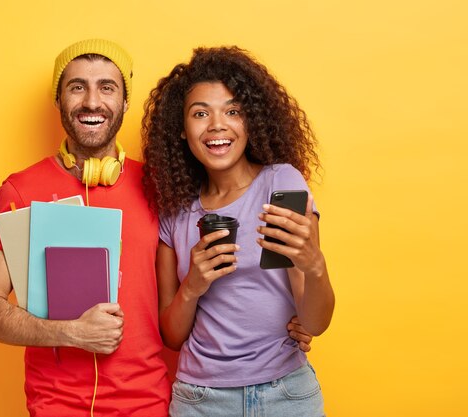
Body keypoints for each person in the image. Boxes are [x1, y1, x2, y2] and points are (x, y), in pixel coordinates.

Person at [0, 39, 314, 417]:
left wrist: (285, 319)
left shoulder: (162, 188)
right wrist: (69, 333)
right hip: (55, 405)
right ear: (58, 100)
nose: (91, 101)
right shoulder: (20, 190)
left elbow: (211, 285)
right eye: (77, 86)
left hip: (148, 403)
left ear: (125, 102)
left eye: (107, 87)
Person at [141, 46, 335, 416]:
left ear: (251, 121)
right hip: (201, 400)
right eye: (201, 113)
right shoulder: (176, 212)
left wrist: (315, 267)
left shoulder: (281, 185)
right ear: (181, 131)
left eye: (232, 111)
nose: (217, 124)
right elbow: (172, 335)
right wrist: (194, 285)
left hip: (286, 393)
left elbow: (314, 323)